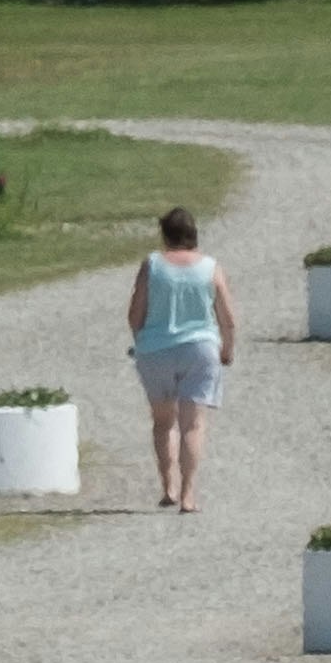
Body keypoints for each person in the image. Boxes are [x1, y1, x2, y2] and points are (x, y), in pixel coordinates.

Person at [126, 205, 230, 513]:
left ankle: (167, 486)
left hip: (155, 350)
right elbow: (228, 317)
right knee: (192, 425)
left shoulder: (152, 265)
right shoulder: (211, 267)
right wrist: (227, 349)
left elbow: (135, 313)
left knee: (163, 423)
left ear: (165, 234)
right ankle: (188, 494)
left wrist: (141, 341)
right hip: (200, 348)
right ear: (193, 233)